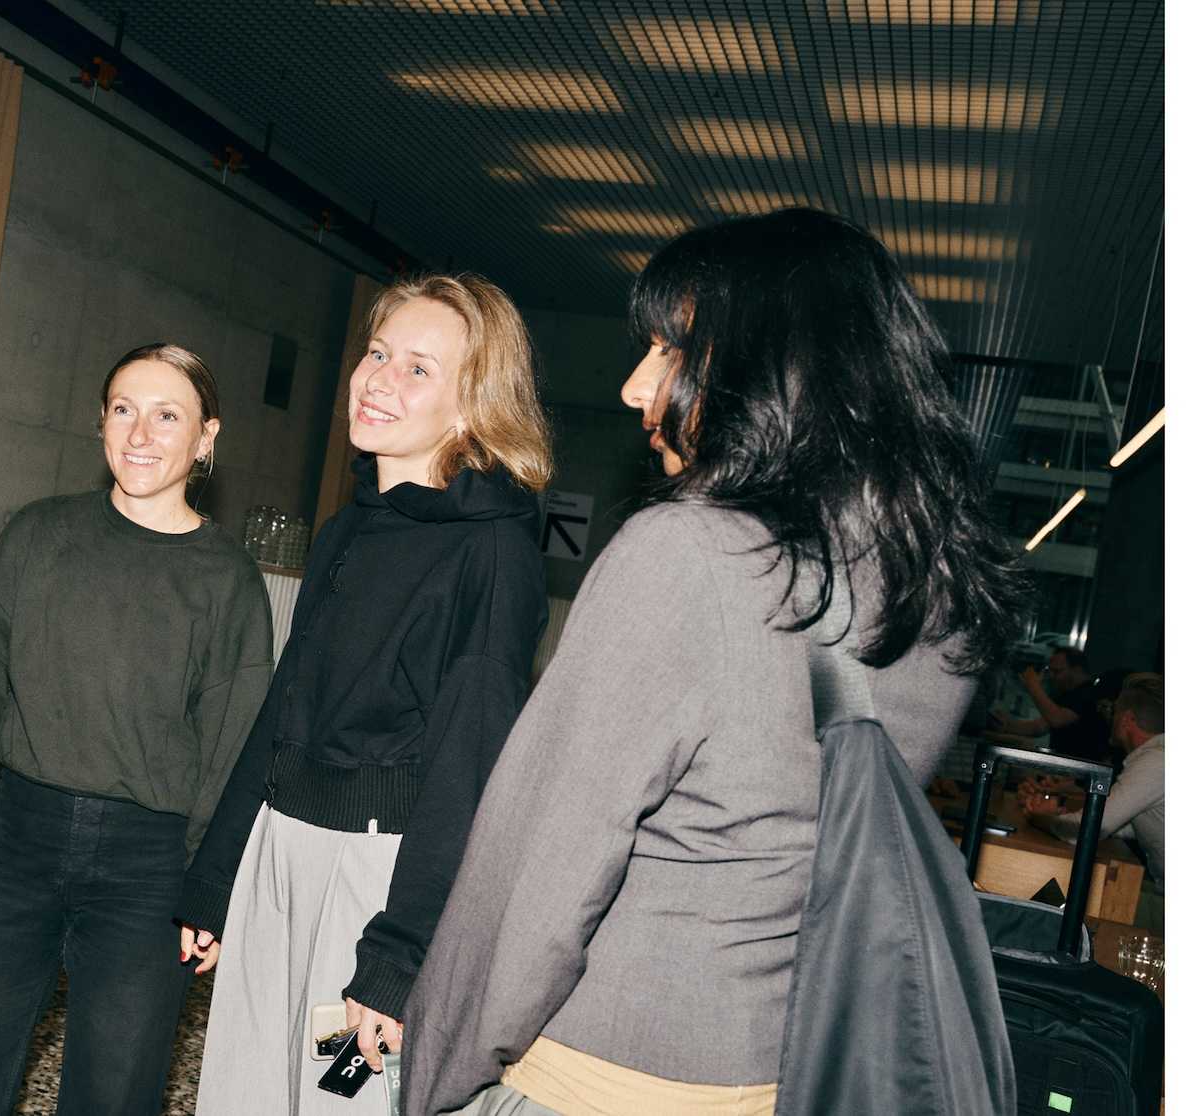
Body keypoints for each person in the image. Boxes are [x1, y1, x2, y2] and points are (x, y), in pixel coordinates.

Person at [403, 208, 1032, 1116]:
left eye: (665, 351)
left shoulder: (685, 556)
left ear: (757, 368)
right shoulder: (940, 597)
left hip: (595, 1071)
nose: (633, 387)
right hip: (778, 1068)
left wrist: (433, 1079)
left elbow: (533, 876)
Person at [180, 274, 554, 1115]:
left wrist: (398, 953)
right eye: (378, 353)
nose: (379, 378)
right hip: (278, 852)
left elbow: (468, 770)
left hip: (374, 879)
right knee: (241, 1092)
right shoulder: (351, 526)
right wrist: (216, 876)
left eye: (418, 368)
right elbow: (283, 714)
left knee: (333, 1102)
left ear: (473, 406)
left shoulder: (492, 555)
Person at [0, 343, 273, 1116]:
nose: (141, 433)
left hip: (151, 868)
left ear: (206, 439)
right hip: (17, 838)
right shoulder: (37, 536)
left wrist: (212, 888)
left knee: (115, 1093)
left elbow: (232, 749)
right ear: (101, 421)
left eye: (169, 415)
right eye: (124, 409)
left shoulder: (226, 581)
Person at [1026, 672, 1165, 930]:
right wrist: (1062, 809)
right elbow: (1124, 824)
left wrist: (1038, 818)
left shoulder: (1156, 762)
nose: (1110, 718)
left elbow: (1089, 830)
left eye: (1115, 712)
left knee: (1074, 899)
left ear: (1126, 719)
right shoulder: (1160, 758)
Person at [993, 645, 1115, 765]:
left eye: (1057, 671)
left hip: (1081, 770)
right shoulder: (1067, 694)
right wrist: (1005, 725)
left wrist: (1033, 684)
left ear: (1077, 670)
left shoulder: (1088, 693)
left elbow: (1057, 719)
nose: (1052, 676)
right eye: (1050, 670)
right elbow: (1038, 727)